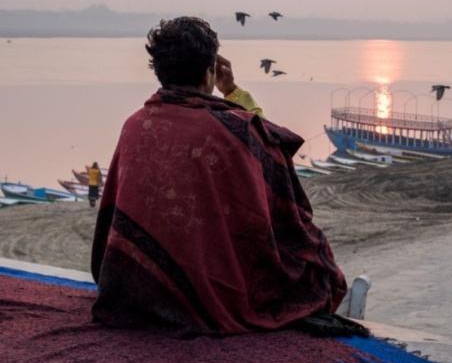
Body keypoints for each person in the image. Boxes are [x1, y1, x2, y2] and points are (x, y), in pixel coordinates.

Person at [91, 17, 360, 338]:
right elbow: (288, 210)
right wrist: (232, 91)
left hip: (137, 290)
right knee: (312, 264)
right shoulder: (237, 131)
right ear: (210, 70)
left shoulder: (135, 124)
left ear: (159, 70)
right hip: (219, 295)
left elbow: (111, 215)